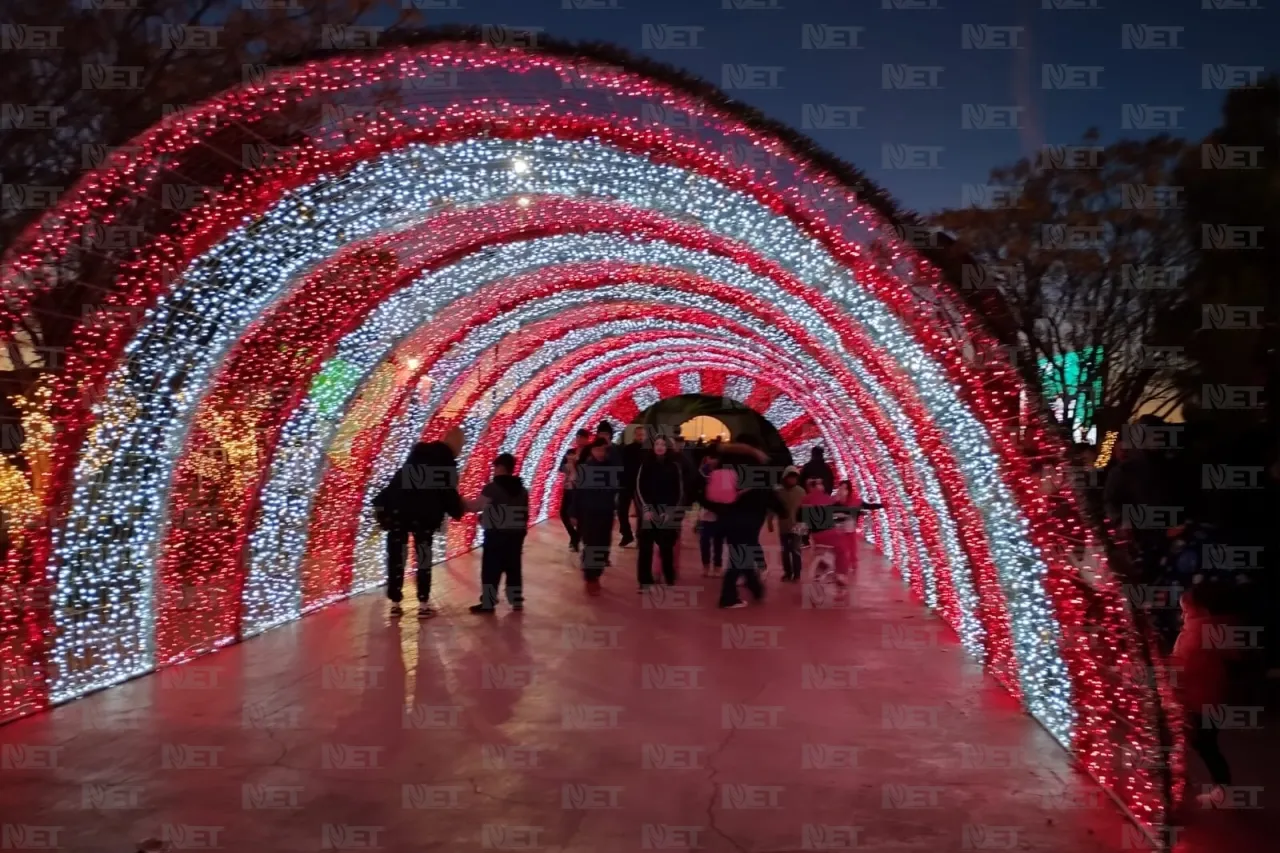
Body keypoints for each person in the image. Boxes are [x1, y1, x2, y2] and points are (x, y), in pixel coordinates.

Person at [372, 428, 465, 619]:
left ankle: (395, 603)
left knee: (396, 557)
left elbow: (397, 482)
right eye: (461, 445)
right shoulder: (445, 462)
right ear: (455, 445)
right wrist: (459, 509)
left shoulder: (416, 456)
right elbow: (447, 493)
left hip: (398, 511)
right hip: (424, 516)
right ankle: (423, 604)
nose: (461, 450)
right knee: (423, 557)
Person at [1171, 581, 1240, 807]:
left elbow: (1184, 665)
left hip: (1198, 700)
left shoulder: (1198, 632)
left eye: (1185, 609)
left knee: (1203, 744)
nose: (1182, 614)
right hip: (1211, 697)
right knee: (1205, 744)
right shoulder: (1217, 628)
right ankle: (1221, 790)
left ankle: (1221, 791)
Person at [703, 435, 783, 609]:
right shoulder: (758, 464)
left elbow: (709, 490)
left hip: (727, 516)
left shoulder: (725, 461)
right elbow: (767, 491)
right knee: (740, 556)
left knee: (740, 553)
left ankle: (756, 589)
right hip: (750, 517)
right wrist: (782, 510)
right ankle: (728, 597)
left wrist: (717, 509)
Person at [469, 453, 529, 614]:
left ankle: (488, 602)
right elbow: (524, 514)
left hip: (496, 534)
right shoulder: (522, 489)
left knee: (491, 569)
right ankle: (516, 599)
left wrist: (459, 502)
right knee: (513, 567)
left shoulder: (492, 488)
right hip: (516, 534)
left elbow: (476, 506)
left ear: (500, 467)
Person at [634, 435, 686, 590]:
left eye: (663, 444)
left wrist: (671, 511)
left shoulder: (674, 466)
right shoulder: (645, 464)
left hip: (666, 512)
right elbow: (639, 488)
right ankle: (644, 581)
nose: (660, 447)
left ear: (667, 447)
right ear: (653, 446)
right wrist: (646, 509)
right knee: (645, 548)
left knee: (666, 547)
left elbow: (679, 491)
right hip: (648, 511)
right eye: (657, 444)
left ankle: (669, 578)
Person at [573, 436, 622, 595]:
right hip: (589, 512)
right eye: (597, 449)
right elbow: (578, 492)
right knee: (591, 543)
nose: (600, 453)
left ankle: (597, 572)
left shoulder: (611, 467)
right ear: (592, 450)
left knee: (603, 543)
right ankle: (590, 576)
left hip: (606, 511)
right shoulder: (586, 468)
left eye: (603, 450)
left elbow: (616, 488)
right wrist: (574, 512)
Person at [768, 466, 806, 582]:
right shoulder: (779, 492)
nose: (792, 480)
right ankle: (788, 573)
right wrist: (770, 521)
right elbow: (773, 508)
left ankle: (797, 574)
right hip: (784, 525)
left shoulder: (801, 492)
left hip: (798, 525)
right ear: (785, 478)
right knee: (785, 550)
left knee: (796, 549)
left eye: (794, 478)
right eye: (790, 477)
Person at [559, 428, 591, 552]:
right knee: (563, 513)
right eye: (577, 437)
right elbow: (561, 467)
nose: (579, 439)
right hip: (569, 486)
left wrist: (575, 465)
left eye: (582, 437)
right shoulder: (570, 451)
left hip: (581, 488)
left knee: (579, 515)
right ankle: (575, 537)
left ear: (586, 439)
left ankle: (575, 539)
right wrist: (568, 466)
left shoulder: (588, 453)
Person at [695, 451, 725, 577]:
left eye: (716, 458)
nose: (714, 461)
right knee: (705, 541)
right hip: (706, 513)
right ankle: (706, 566)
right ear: (707, 458)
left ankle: (718, 566)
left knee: (719, 541)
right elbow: (698, 492)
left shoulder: (724, 473)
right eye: (712, 458)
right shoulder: (701, 473)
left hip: (721, 513)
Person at [618, 426, 647, 548]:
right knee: (621, 510)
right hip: (627, 484)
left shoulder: (648, 451)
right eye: (638, 434)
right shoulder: (627, 449)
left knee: (642, 513)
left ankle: (641, 537)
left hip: (641, 486)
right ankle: (627, 534)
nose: (640, 437)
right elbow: (622, 466)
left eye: (642, 434)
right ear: (635, 435)